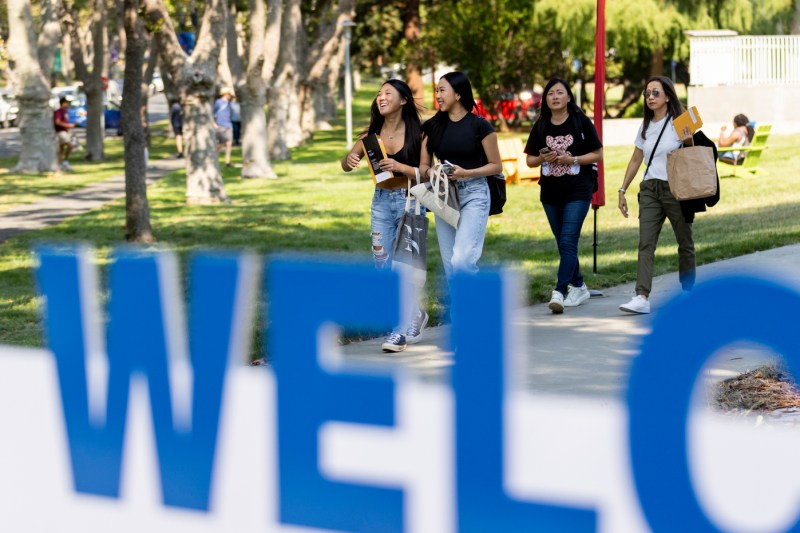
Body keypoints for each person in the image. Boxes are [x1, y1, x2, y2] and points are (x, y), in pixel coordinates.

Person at [341, 80, 428, 353]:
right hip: (380, 202)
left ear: (403, 100)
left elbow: (427, 171)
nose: (381, 96)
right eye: (380, 93)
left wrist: (400, 166)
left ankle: (399, 330)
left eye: (388, 93)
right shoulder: (371, 135)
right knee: (383, 265)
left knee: (404, 268)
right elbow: (346, 162)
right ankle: (416, 313)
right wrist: (349, 161)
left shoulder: (419, 133)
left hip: (410, 202)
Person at [524, 78, 603, 314]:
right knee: (563, 243)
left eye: (560, 92)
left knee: (568, 241)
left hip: (578, 188)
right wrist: (542, 159)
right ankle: (578, 284)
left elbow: (598, 154)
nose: (555, 97)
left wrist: (573, 160)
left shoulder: (580, 122)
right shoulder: (541, 126)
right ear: (545, 100)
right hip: (550, 191)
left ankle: (559, 290)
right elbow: (529, 160)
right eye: (550, 94)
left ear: (569, 97)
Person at [617, 76, 695, 315]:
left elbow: (693, 150)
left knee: (685, 242)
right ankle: (641, 296)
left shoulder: (681, 120)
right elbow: (636, 158)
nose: (650, 97)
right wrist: (623, 189)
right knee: (646, 243)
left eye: (655, 93)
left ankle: (689, 293)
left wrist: (684, 118)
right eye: (647, 93)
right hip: (650, 188)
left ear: (668, 96)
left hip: (676, 189)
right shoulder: (645, 126)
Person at [420, 72, 501, 279]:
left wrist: (467, 174)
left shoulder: (481, 125)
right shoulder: (432, 127)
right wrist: (433, 172)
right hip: (444, 195)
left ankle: (472, 308)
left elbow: (496, 166)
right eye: (436, 90)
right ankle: (462, 311)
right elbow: (423, 166)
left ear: (458, 94)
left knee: (462, 261)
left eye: (442, 90)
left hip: (475, 194)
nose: (437, 95)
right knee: (450, 264)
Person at [214, 87, 234, 167]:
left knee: (229, 143)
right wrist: (214, 123)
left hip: (228, 124)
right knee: (221, 144)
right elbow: (213, 112)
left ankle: (227, 161)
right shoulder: (218, 102)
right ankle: (213, 157)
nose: (230, 96)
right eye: (229, 94)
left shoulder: (229, 103)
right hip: (220, 124)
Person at [54, 97, 76, 172]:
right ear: (63, 103)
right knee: (69, 146)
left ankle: (61, 163)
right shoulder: (59, 112)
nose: (68, 104)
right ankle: (64, 161)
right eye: (66, 102)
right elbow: (57, 122)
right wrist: (68, 126)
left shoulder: (66, 111)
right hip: (60, 131)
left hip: (65, 131)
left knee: (61, 148)